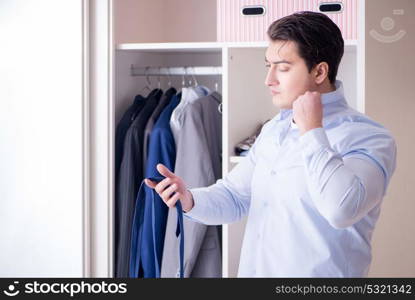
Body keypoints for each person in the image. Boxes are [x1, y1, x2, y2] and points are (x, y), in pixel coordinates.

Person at [145, 11, 397, 277]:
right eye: (268, 66)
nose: (269, 80)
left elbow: (341, 209)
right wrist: (190, 199)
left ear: (320, 71)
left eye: (283, 67)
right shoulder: (273, 130)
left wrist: (312, 130)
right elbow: (235, 197)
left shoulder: (370, 137)